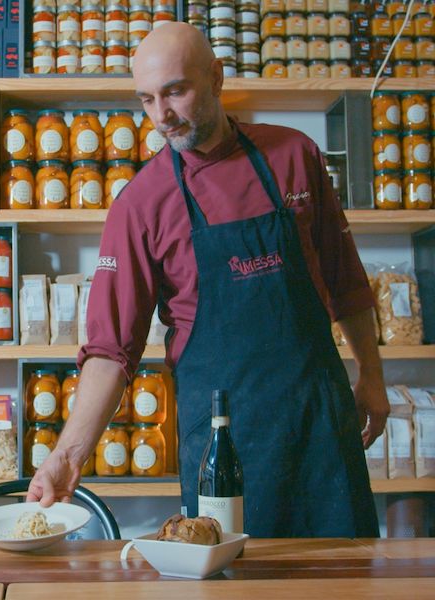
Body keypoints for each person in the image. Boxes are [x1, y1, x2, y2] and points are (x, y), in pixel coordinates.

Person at [25, 22, 390, 538]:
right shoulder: (140, 204)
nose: (161, 116)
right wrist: (66, 456)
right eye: (147, 99)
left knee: (345, 579)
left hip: (320, 422)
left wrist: (372, 377)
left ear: (217, 77)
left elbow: (344, 277)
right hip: (224, 440)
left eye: (175, 91)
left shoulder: (294, 156)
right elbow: (110, 351)